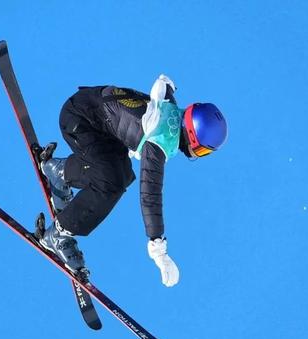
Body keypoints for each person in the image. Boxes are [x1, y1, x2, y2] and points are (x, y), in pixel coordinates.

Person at [39, 75, 228, 287]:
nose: (195, 154)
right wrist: (158, 248)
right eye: (201, 150)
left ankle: (58, 171)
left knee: (120, 174)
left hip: (87, 113)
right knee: (110, 184)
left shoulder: (170, 110)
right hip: (80, 120)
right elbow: (150, 194)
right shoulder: (161, 138)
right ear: (192, 135)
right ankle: (58, 235)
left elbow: (162, 90)